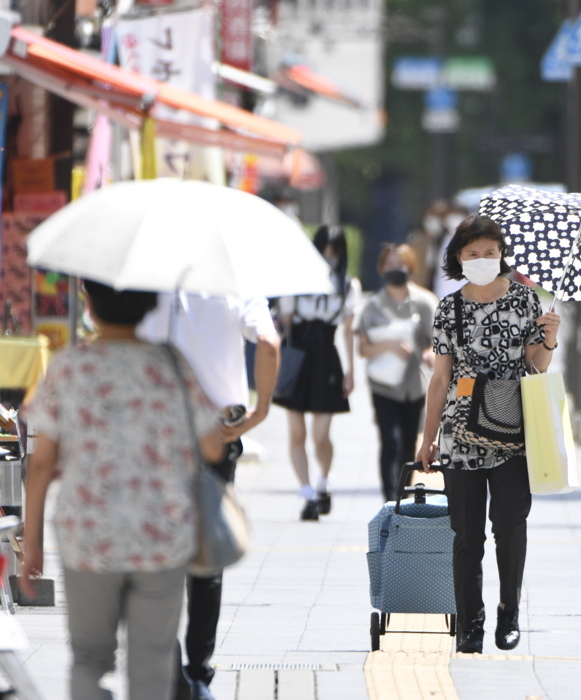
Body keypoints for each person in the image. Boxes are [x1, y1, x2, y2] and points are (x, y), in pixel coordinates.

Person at [20, 280, 227, 700]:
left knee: (90, 659)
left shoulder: (70, 366)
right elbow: (212, 446)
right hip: (161, 537)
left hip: (88, 537)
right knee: (151, 663)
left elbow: (41, 462)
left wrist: (34, 541)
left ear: (90, 306)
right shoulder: (171, 364)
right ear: (149, 305)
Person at [416, 216, 561, 655]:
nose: (482, 260)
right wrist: (427, 438)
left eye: (490, 252)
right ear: (458, 258)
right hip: (460, 432)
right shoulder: (449, 308)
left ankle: (509, 612)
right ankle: (470, 623)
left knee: (511, 527)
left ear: (502, 255)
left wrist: (550, 339)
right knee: (466, 535)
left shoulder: (524, 300)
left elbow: (536, 366)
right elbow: (440, 379)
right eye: (473, 253)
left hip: (513, 428)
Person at [138, 293, 280, 700]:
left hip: (154, 427)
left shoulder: (149, 277)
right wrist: (261, 410)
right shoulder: (235, 282)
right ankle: (198, 671)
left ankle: (169, 667)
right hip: (218, 430)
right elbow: (269, 344)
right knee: (206, 549)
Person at [273, 224, 360, 521]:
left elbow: (348, 331)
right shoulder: (294, 281)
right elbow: (284, 324)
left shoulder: (347, 286)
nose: (329, 256)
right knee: (297, 433)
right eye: (324, 248)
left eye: (334, 251)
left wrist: (351, 371)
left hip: (326, 357)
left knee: (321, 435)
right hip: (296, 356)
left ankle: (324, 478)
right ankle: (307, 492)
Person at [356, 243, 438, 501]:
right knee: (389, 440)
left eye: (400, 263)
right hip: (383, 384)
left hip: (414, 384)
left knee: (408, 443)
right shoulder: (373, 305)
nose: (395, 268)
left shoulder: (424, 302)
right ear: (381, 268)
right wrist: (388, 345)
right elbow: (362, 348)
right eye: (389, 264)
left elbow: (438, 341)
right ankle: (389, 499)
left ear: (410, 266)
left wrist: (430, 353)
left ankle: (402, 495)